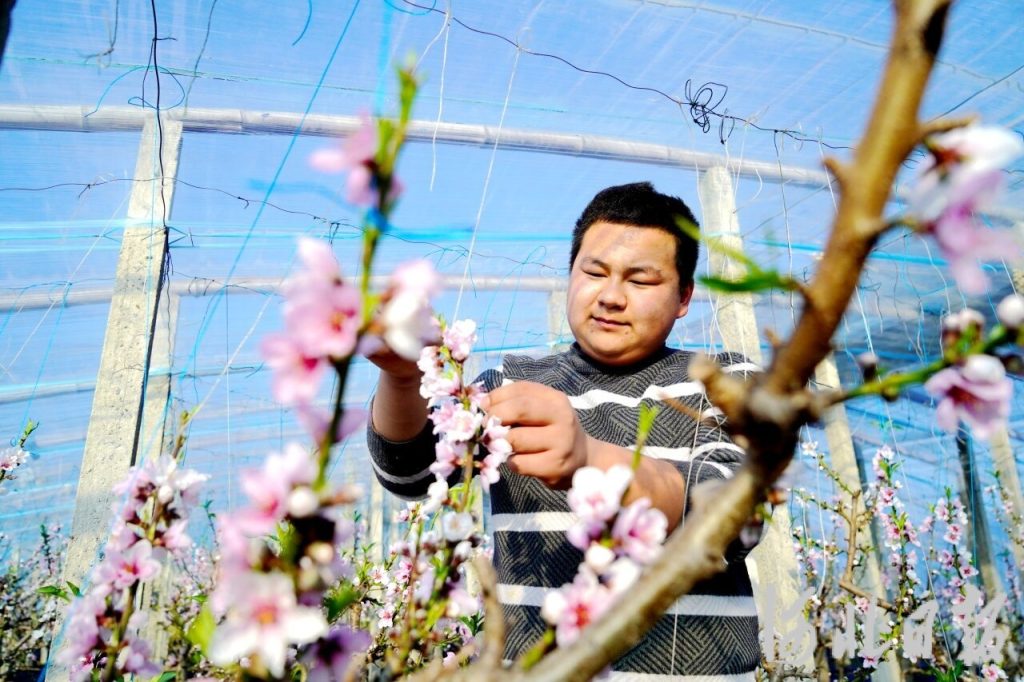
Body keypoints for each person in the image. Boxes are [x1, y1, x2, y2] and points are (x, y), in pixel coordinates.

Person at [367, 182, 760, 678]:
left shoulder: (724, 383)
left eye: (641, 281)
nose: (611, 297)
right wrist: (402, 376)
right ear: (571, 276)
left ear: (683, 297)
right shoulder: (511, 385)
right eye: (593, 272)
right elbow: (409, 474)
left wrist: (589, 460)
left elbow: (737, 514)